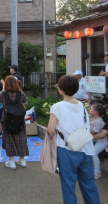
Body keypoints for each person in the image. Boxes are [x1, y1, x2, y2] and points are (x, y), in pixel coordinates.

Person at [47, 75, 100, 204]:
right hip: (86, 148)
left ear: (60, 89)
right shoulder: (82, 105)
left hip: (67, 149)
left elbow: (50, 129)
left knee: (69, 186)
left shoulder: (57, 107)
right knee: (89, 185)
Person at [0, 75, 29, 169]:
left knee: (9, 138)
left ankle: (12, 161)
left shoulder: (3, 93)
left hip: (7, 118)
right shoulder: (20, 92)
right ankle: (22, 160)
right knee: (21, 138)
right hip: (19, 118)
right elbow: (25, 101)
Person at [89, 103, 108, 179]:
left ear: (95, 112)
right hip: (95, 140)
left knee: (93, 153)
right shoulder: (92, 119)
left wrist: (87, 127)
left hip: (101, 142)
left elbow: (95, 132)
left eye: (90, 109)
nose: (89, 110)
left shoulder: (99, 121)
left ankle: (97, 172)